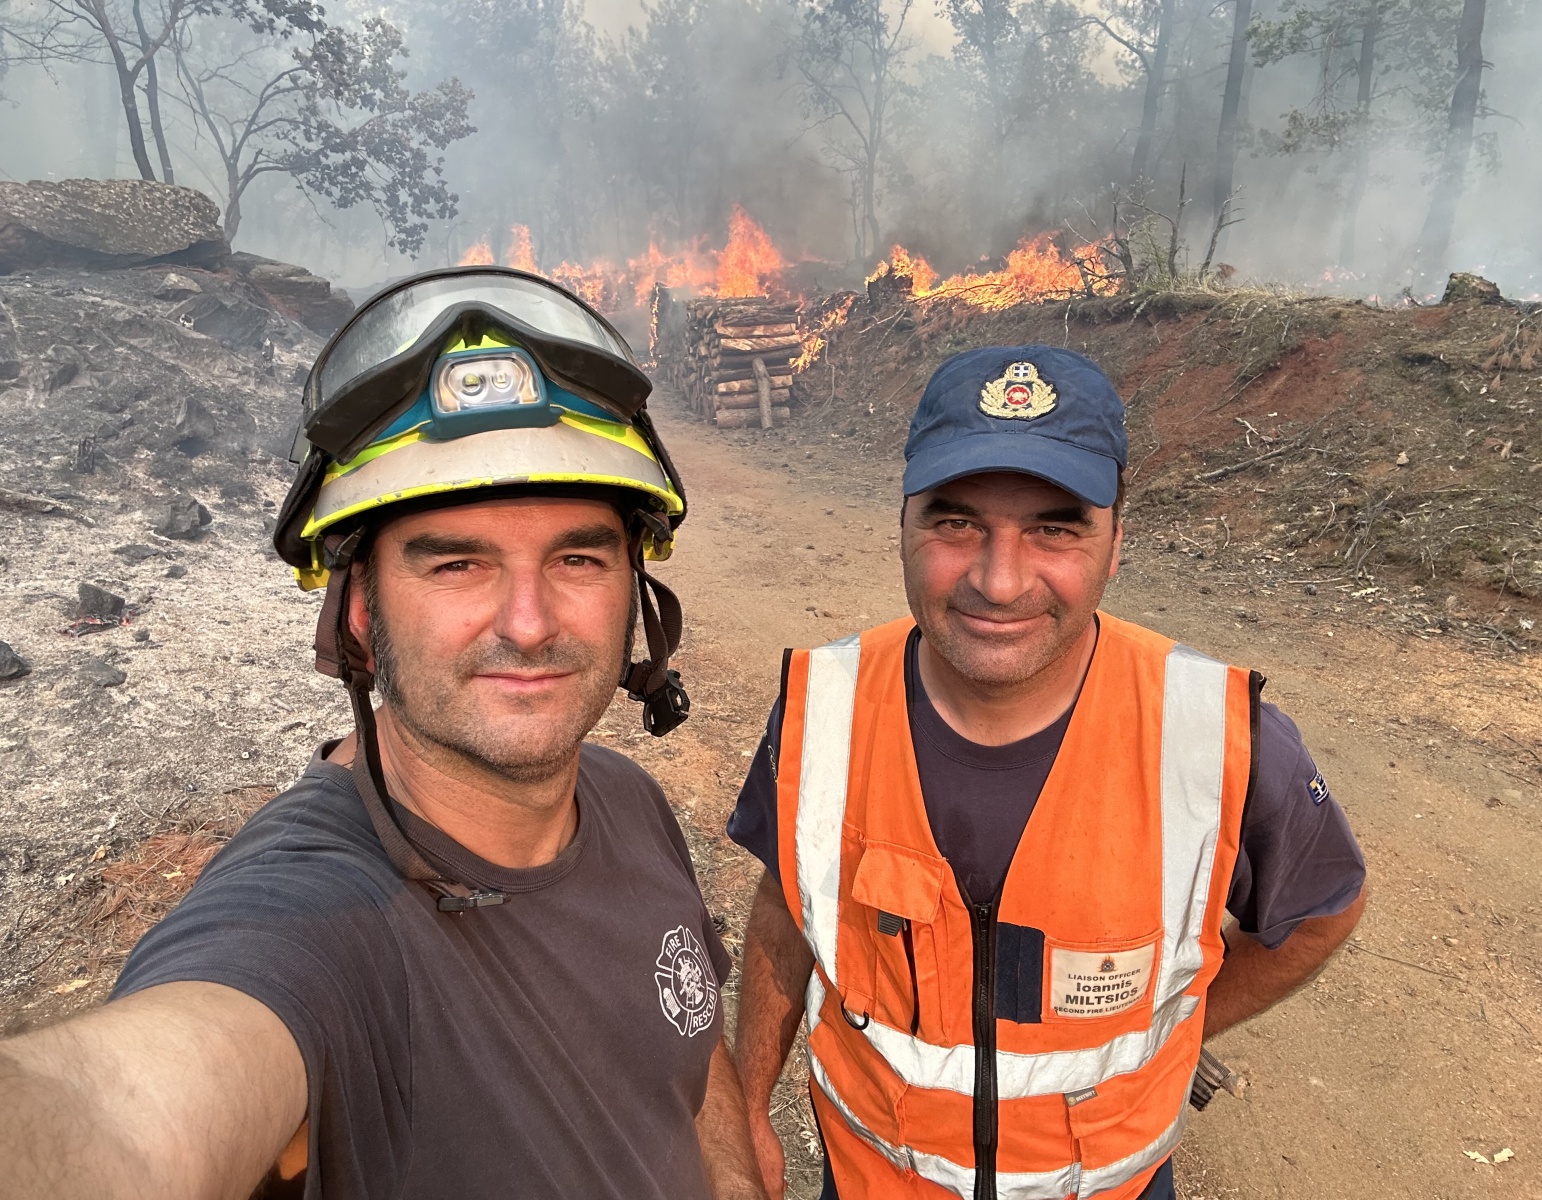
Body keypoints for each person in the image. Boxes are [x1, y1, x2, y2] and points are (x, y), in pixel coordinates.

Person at [0, 268, 763, 1200]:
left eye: (577, 557)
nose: (530, 624)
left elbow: (685, 1043)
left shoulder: (626, 798)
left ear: (634, 593)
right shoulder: (316, 920)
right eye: (457, 564)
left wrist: (737, 1178)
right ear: (359, 612)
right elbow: (123, 1121)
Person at [727, 347, 1367, 1200]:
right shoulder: (823, 710)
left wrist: (1172, 1029)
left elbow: (1323, 911)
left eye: (1055, 529)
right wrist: (747, 1108)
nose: (999, 582)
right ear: (903, 527)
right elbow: (787, 907)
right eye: (956, 523)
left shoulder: (1220, 739)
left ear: (1116, 544)